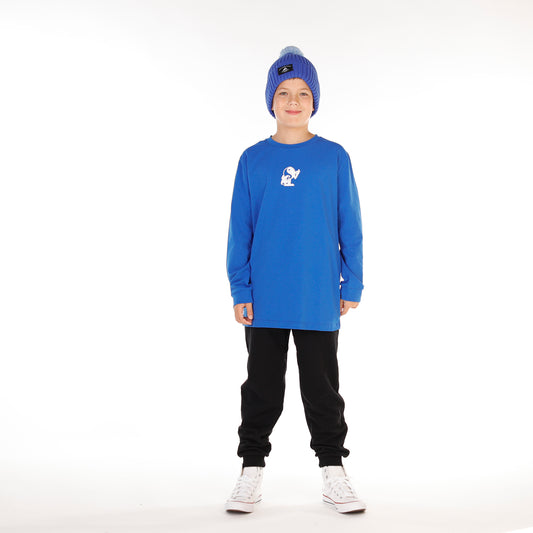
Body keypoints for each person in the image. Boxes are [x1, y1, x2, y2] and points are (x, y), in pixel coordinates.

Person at [224, 46, 366, 514]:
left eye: (303, 92)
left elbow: (350, 224)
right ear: (271, 100)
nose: (293, 101)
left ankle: (333, 470)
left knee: (322, 387)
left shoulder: (333, 157)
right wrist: (241, 288)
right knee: (261, 387)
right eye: (283, 92)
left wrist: (352, 282)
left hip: (317, 292)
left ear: (314, 101)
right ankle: (250, 470)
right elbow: (240, 229)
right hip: (264, 295)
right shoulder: (253, 159)